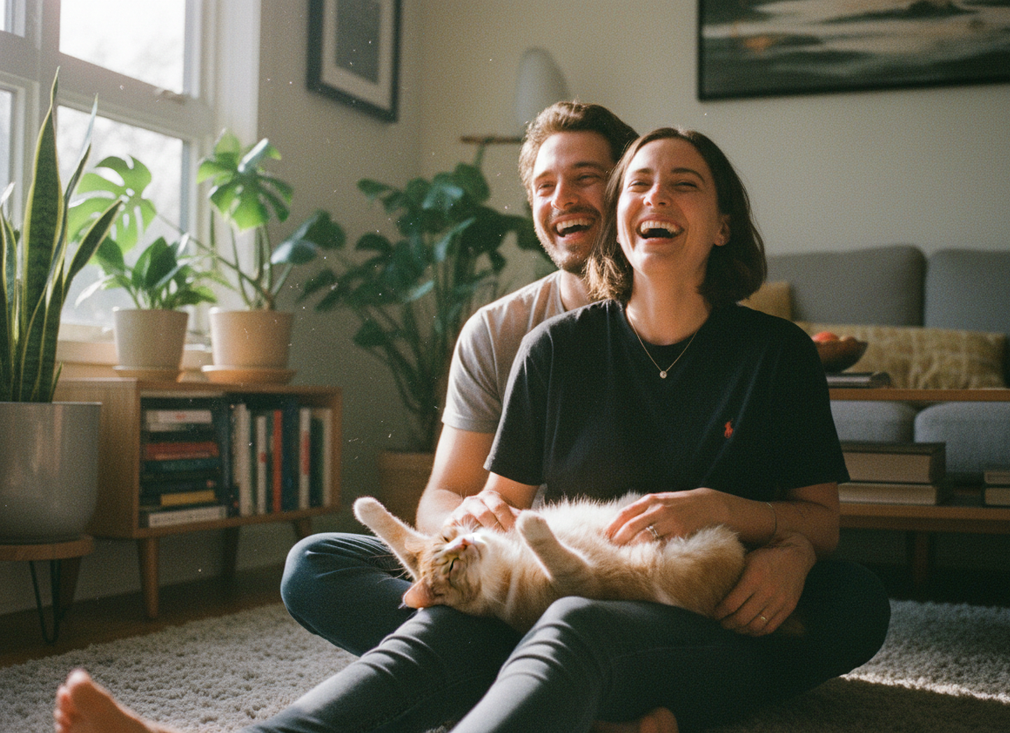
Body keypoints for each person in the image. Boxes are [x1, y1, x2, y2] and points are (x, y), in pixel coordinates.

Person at [54, 128, 891, 733]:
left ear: (721, 226)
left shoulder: (777, 352)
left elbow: (820, 521)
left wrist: (758, 529)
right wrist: (476, 525)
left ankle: (560, 688)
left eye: (684, 183)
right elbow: (500, 500)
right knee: (354, 572)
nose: (655, 196)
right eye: (638, 183)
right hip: (554, 594)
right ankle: (585, 703)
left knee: (853, 600)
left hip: (692, 609)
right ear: (618, 221)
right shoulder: (554, 347)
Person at [276, 101, 639, 657]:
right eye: (544, 186)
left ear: (627, 187)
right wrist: (466, 518)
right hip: (507, 578)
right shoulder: (496, 331)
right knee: (314, 563)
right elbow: (441, 494)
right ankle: (538, 669)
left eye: (585, 178)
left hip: (615, 579)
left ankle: (496, 662)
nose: (561, 199)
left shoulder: (676, 322)